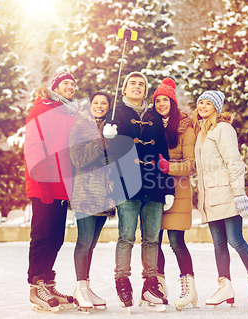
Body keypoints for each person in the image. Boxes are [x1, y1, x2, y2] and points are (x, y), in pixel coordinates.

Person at [102, 71, 175, 312]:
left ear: (145, 91)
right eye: (132, 83)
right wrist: (108, 136)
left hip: (153, 184)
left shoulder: (154, 116)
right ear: (124, 90)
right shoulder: (116, 115)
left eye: (141, 84)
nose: (137, 87)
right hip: (127, 184)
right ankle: (122, 281)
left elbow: (163, 151)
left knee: (152, 238)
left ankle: (150, 285)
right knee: (126, 237)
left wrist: (168, 187)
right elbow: (110, 152)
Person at [192, 90, 248, 309]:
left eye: (208, 103)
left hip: (227, 193)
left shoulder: (223, 129)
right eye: (200, 103)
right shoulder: (202, 132)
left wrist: (238, 193)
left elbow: (234, 162)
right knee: (218, 244)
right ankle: (225, 285)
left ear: (216, 107)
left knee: (235, 240)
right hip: (211, 197)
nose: (203, 106)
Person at [24, 70, 79, 313]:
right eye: (65, 83)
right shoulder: (42, 109)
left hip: (62, 188)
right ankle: (36, 285)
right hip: (43, 184)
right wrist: (43, 182)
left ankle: (48, 281)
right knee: (42, 235)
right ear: (56, 86)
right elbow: (34, 147)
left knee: (57, 237)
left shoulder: (71, 114)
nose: (70, 87)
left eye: (73, 84)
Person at [152, 78, 198, 310]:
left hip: (178, 193)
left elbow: (191, 164)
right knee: (154, 241)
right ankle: (158, 286)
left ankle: (189, 287)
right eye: (157, 100)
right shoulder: (152, 126)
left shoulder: (185, 129)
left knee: (176, 242)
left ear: (173, 101)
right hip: (156, 190)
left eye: (165, 100)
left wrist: (168, 166)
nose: (161, 104)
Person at [69, 92, 115, 312]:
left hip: (105, 195)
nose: (99, 106)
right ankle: (80, 287)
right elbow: (77, 159)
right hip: (85, 192)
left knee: (92, 244)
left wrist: (112, 139)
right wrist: (100, 141)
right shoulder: (80, 127)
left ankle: (85, 285)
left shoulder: (113, 127)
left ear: (108, 106)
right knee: (84, 242)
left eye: (103, 103)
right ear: (90, 106)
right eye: (96, 103)